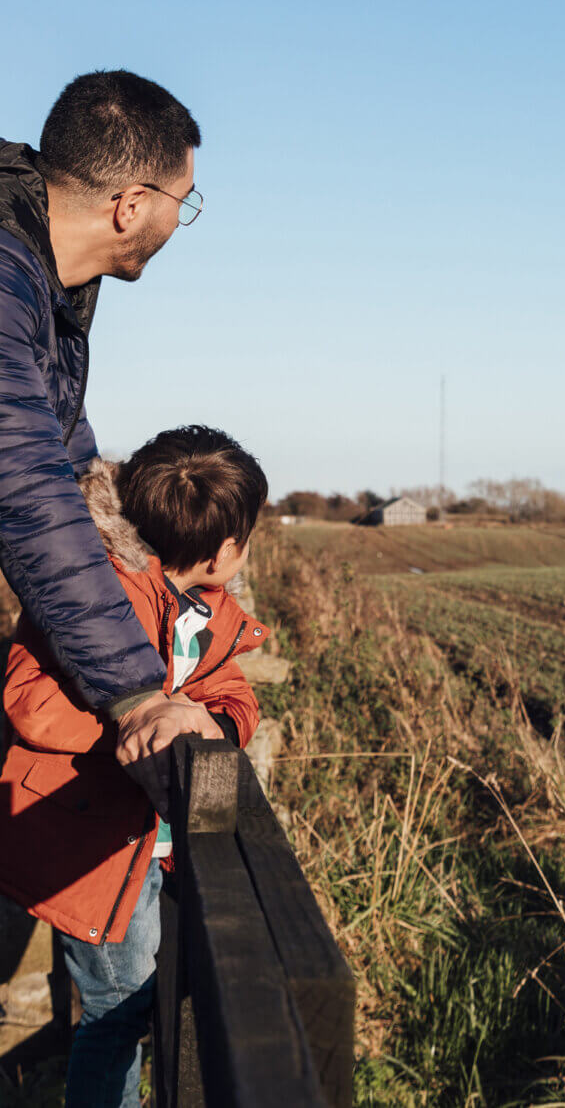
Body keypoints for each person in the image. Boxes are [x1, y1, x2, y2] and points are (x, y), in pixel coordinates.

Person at [0, 425, 270, 1108]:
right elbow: (28, 700)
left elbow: (234, 693)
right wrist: (137, 728)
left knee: (131, 1003)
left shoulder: (206, 611)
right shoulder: (95, 593)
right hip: (92, 849)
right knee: (118, 1010)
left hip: (145, 847)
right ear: (227, 548)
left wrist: (211, 724)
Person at [0, 71, 225, 814]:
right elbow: (28, 494)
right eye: (181, 202)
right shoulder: (7, 287)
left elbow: (70, 468)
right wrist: (136, 692)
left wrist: (159, 564)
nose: (179, 221)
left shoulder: (42, 287)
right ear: (130, 205)